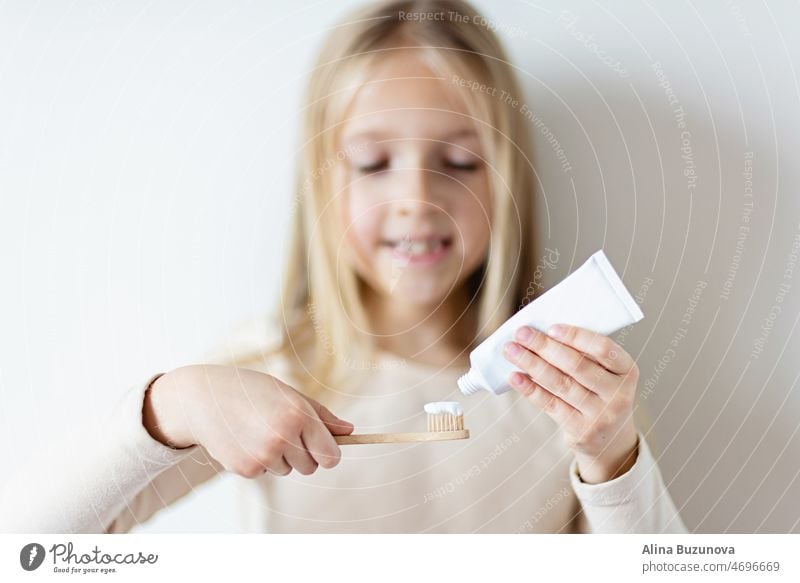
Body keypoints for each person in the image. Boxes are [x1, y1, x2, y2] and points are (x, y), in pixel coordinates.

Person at [0, 0, 687, 534]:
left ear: (508, 179)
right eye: (371, 163)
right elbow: (27, 544)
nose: (418, 201)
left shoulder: (569, 397)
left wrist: (611, 458)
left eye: (458, 162)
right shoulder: (268, 374)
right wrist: (169, 406)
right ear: (322, 182)